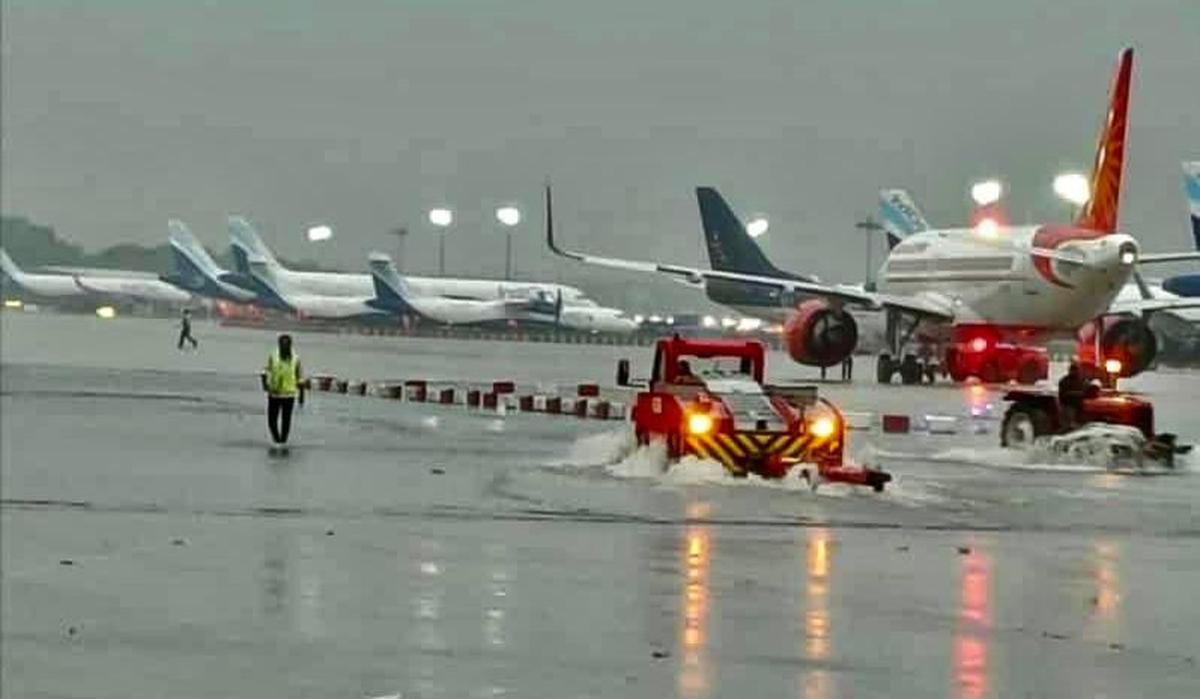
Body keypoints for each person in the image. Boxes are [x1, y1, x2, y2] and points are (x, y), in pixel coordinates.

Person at [262, 334, 304, 445]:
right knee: (272, 421)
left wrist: (302, 396)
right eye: (282, 344)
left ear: (290, 345)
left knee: (286, 420)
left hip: (289, 395)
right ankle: (277, 440)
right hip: (274, 393)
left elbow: (300, 378)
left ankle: (283, 442)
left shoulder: (296, 358)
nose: (284, 346)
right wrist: (264, 384)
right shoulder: (273, 356)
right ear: (279, 344)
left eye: (287, 344)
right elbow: (266, 371)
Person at [1057, 361, 1086, 430]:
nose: (1076, 372)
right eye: (1074, 370)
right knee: (1068, 425)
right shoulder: (1065, 381)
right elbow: (1063, 394)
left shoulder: (1082, 380)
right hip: (1069, 405)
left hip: (1077, 406)